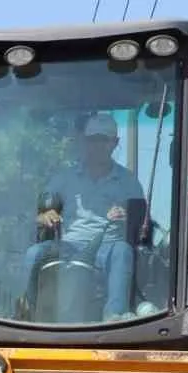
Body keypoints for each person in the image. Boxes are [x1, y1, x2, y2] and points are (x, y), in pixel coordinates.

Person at [19, 113, 148, 322]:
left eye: (103, 140)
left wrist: (126, 216)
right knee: (34, 252)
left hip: (108, 248)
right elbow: (39, 212)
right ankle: (26, 313)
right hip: (67, 246)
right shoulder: (65, 177)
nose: (97, 146)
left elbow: (141, 222)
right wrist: (45, 215)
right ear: (84, 142)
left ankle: (114, 316)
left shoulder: (128, 181)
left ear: (115, 143)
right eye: (92, 140)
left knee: (123, 251)